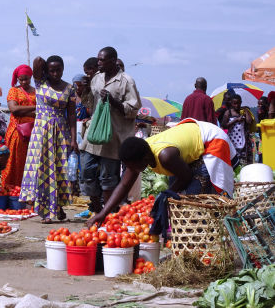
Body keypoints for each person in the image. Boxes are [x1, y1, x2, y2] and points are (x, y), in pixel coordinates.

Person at [86, 119, 239, 227]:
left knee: (197, 194)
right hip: (191, 137)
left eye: (132, 166)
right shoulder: (141, 154)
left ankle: (208, 229)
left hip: (212, 140)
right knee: (176, 197)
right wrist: (103, 213)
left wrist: (165, 195)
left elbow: (186, 176)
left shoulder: (165, 156)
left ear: (144, 159)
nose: (130, 170)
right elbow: (124, 185)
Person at [79, 47, 141, 216]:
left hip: (113, 138)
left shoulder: (127, 81)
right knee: (86, 171)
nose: (98, 62)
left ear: (113, 60)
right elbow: (90, 104)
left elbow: (134, 109)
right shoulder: (96, 79)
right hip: (93, 135)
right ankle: (97, 208)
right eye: (98, 59)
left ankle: (106, 214)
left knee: (108, 178)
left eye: (102, 60)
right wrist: (83, 91)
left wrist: (114, 102)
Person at [19, 55, 77, 224]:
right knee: (41, 169)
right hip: (40, 132)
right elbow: (37, 61)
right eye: (52, 70)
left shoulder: (69, 89)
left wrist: (73, 139)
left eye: (58, 69)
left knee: (58, 169)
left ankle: (57, 207)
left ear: (63, 69)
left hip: (60, 132)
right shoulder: (40, 82)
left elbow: (72, 115)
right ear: (47, 70)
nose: (55, 73)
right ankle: (45, 210)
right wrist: (43, 69)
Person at [1, 64, 36, 187]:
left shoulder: (36, 92)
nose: (24, 82)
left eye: (26, 78)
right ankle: (10, 190)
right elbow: (14, 109)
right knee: (14, 162)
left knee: (29, 163)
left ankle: (26, 191)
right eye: (21, 79)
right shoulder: (14, 91)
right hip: (17, 133)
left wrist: (23, 110)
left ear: (30, 77)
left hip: (32, 133)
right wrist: (35, 108)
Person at [221, 94, 254, 165]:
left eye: (238, 103)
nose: (237, 105)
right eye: (234, 103)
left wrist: (246, 110)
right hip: (233, 142)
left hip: (244, 142)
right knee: (235, 162)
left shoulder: (243, 112)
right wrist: (236, 120)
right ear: (231, 103)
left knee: (244, 162)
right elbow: (224, 126)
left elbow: (249, 121)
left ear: (241, 102)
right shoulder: (228, 113)